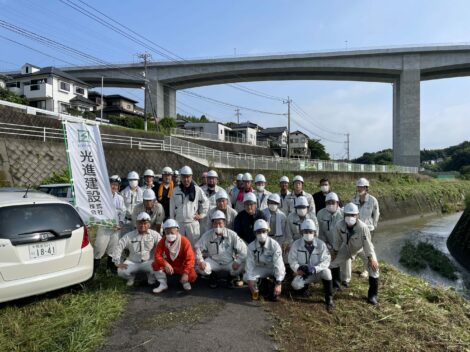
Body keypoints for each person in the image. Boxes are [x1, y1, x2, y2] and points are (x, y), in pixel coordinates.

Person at [330, 203, 380, 305]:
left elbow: (368, 244)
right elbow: (337, 240)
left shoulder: (363, 227)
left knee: (374, 268)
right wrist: (334, 252)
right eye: (348, 215)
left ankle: (372, 295)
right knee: (332, 262)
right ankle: (336, 285)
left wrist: (371, 258)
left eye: (353, 215)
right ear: (344, 215)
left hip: (362, 248)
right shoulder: (339, 225)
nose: (350, 217)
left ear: (357, 215)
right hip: (347, 248)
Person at [288, 219, 334, 309]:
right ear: (301, 232)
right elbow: (292, 260)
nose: (308, 234)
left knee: (327, 273)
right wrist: (298, 269)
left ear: (315, 232)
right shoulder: (296, 244)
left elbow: (326, 260)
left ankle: (329, 298)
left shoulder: (321, 244)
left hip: (317, 272)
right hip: (304, 273)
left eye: (310, 232)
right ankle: (305, 289)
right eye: (305, 231)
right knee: (296, 285)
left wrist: (315, 269)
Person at [195, 210, 247, 288]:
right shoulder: (207, 235)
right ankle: (212, 275)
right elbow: (197, 247)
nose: (218, 226)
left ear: (224, 223)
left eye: (220, 223)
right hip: (213, 261)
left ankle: (231, 277)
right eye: (215, 223)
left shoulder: (232, 234)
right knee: (200, 268)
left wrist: (238, 261)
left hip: (229, 262)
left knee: (242, 265)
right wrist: (201, 261)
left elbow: (244, 249)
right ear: (212, 224)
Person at [112, 212, 164, 287]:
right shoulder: (129, 236)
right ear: (136, 224)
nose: (142, 225)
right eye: (140, 223)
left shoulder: (155, 235)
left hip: (149, 261)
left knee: (161, 269)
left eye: (145, 223)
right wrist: (117, 262)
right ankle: (131, 278)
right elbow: (119, 247)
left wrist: (160, 260)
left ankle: (151, 276)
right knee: (120, 271)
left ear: (149, 224)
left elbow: (162, 246)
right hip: (133, 262)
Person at [244, 219, 286, 301]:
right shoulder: (251, 246)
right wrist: (250, 282)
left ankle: (274, 284)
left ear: (267, 231)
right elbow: (250, 264)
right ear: (255, 233)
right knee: (246, 276)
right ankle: (260, 283)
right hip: (260, 268)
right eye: (258, 232)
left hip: (272, 268)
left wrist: (278, 283)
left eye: (263, 231)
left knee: (280, 273)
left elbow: (279, 264)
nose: (261, 234)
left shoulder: (275, 245)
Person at [152, 219, 197, 293]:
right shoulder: (163, 241)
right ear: (164, 232)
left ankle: (185, 282)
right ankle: (163, 283)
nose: (170, 235)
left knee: (192, 274)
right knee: (155, 264)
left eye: (172, 233)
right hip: (170, 265)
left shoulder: (184, 241)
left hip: (181, 266)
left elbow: (190, 258)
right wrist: (165, 263)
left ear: (177, 231)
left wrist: (185, 273)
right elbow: (157, 255)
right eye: (167, 232)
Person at [93, 175, 126, 275]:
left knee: (113, 249)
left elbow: (123, 211)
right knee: (99, 250)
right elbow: (98, 214)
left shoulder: (119, 198)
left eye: (116, 185)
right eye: (112, 184)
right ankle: (94, 272)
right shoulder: (101, 197)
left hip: (115, 228)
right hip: (104, 228)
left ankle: (110, 270)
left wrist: (120, 223)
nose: (114, 187)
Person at [170, 166, 209, 246]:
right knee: (179, 246)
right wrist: (173, 223)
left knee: (195, 246)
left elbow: (206, 202)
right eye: (184, 177)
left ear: (191, 177)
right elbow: (172, 208)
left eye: (188, 177)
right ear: (180, 177)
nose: (186, 179)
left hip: (192, 223)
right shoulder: (175, 191)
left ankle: (194, 259)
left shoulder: (197, 189)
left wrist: (202, 215)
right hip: (179, 223)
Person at [316, 192, 349, 286]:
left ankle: (345, 279)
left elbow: (346, 233)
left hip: (342, 242)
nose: (330, 205)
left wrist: (337, 248)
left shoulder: (343, 214)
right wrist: (327, 245)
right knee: (331, 260)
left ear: (338, 204)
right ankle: (333, 279)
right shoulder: (320, 214)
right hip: (327, 241)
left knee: (345, 257)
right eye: (328, 202)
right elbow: (320, 232)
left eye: (333, 202)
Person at [351, 177, 380, 278]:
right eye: (358, 186)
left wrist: (373, 226)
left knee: (368, 249)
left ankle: (366, 270)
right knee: (355, 247)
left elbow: (376, 214)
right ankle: (348, 267)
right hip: (356, 228)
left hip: (368, 229)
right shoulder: (353, 200)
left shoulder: (372, 200)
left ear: (366, 188)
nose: (360, 188)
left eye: (362, 187)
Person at [121, 171, 143, 235]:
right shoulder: (123, 193)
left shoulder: (143, 193)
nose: (133, 181)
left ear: (138, 180)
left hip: (138, 222)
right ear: (128, 181)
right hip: (126, 222)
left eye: (135, 179)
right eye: (131, 180)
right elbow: (121, 208)